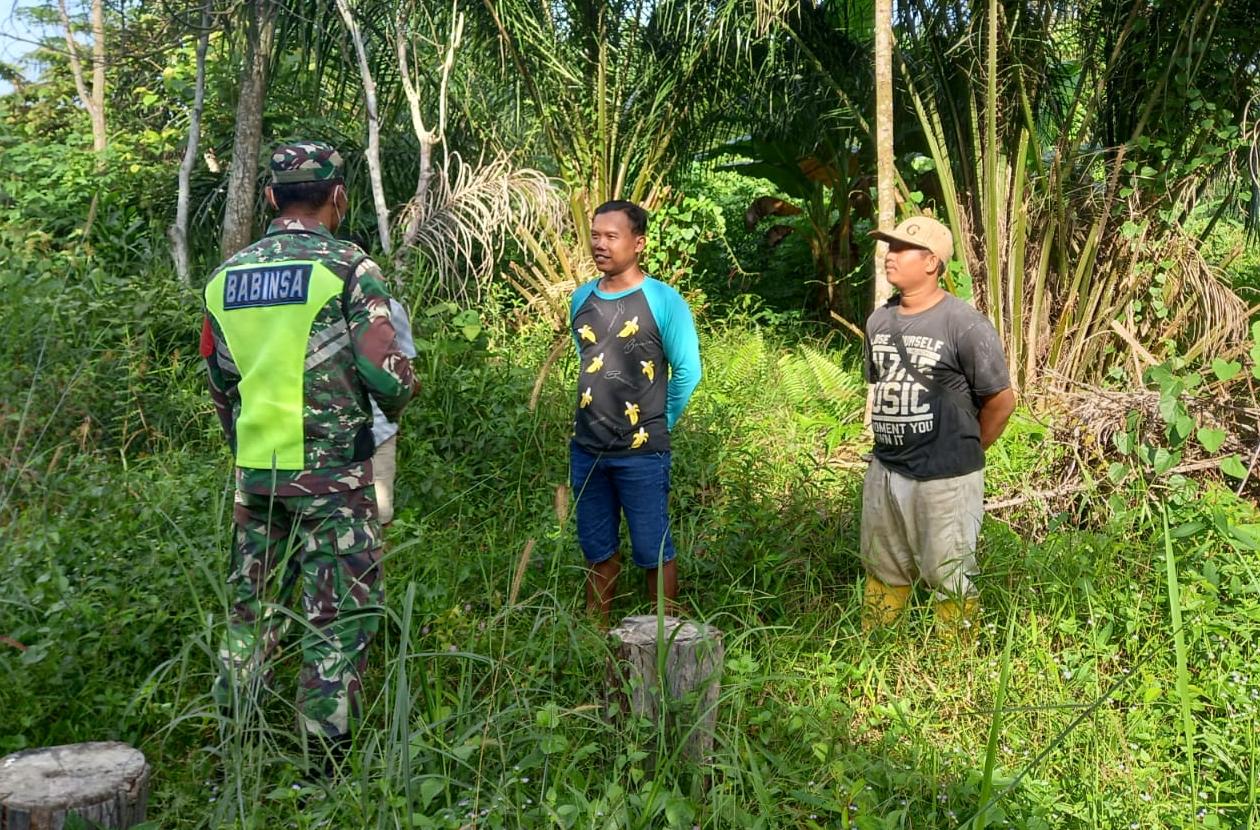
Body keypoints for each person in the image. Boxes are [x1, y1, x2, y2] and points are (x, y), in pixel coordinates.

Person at [199, 141, 415, 767]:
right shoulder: (349, 268)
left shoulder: (226, 277)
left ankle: (234, 748)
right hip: (333, 479)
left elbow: (221, 383)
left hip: (257, 476)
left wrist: (246, 448)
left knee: (251, 611)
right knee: (338, 616)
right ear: (337, 197)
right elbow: (389, 378)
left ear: (270, 196)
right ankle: (323, 764)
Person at [860, 216, 1016, 632]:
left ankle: (954, 670)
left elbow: (1001, 402)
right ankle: (876, 652)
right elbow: (880, 385)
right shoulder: (879, 320)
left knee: (949, 576)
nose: (889, 256)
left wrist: (966, 449)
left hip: (946, 478)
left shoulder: (963, 324)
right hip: (887, 470)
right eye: (888, 247)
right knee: (883, 567)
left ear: (931, 262)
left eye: (899, 249)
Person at [569, 200, 701, 625]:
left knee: (653, 548)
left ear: (638, 243)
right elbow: (589, 362)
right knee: (597, 546)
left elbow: (687, 371)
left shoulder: (663, 301)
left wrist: (658, 423)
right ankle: (597, 630)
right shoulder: (581, 299)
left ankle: (664, 634)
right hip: (587, 450)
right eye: (595, 235)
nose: (600, 244)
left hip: (643, 454)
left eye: (612, 236)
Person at [369, 297, 416, 526]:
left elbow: (406, 371)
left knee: (379, 516)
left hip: (379, 429)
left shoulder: (391, 308)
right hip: (335, 434)